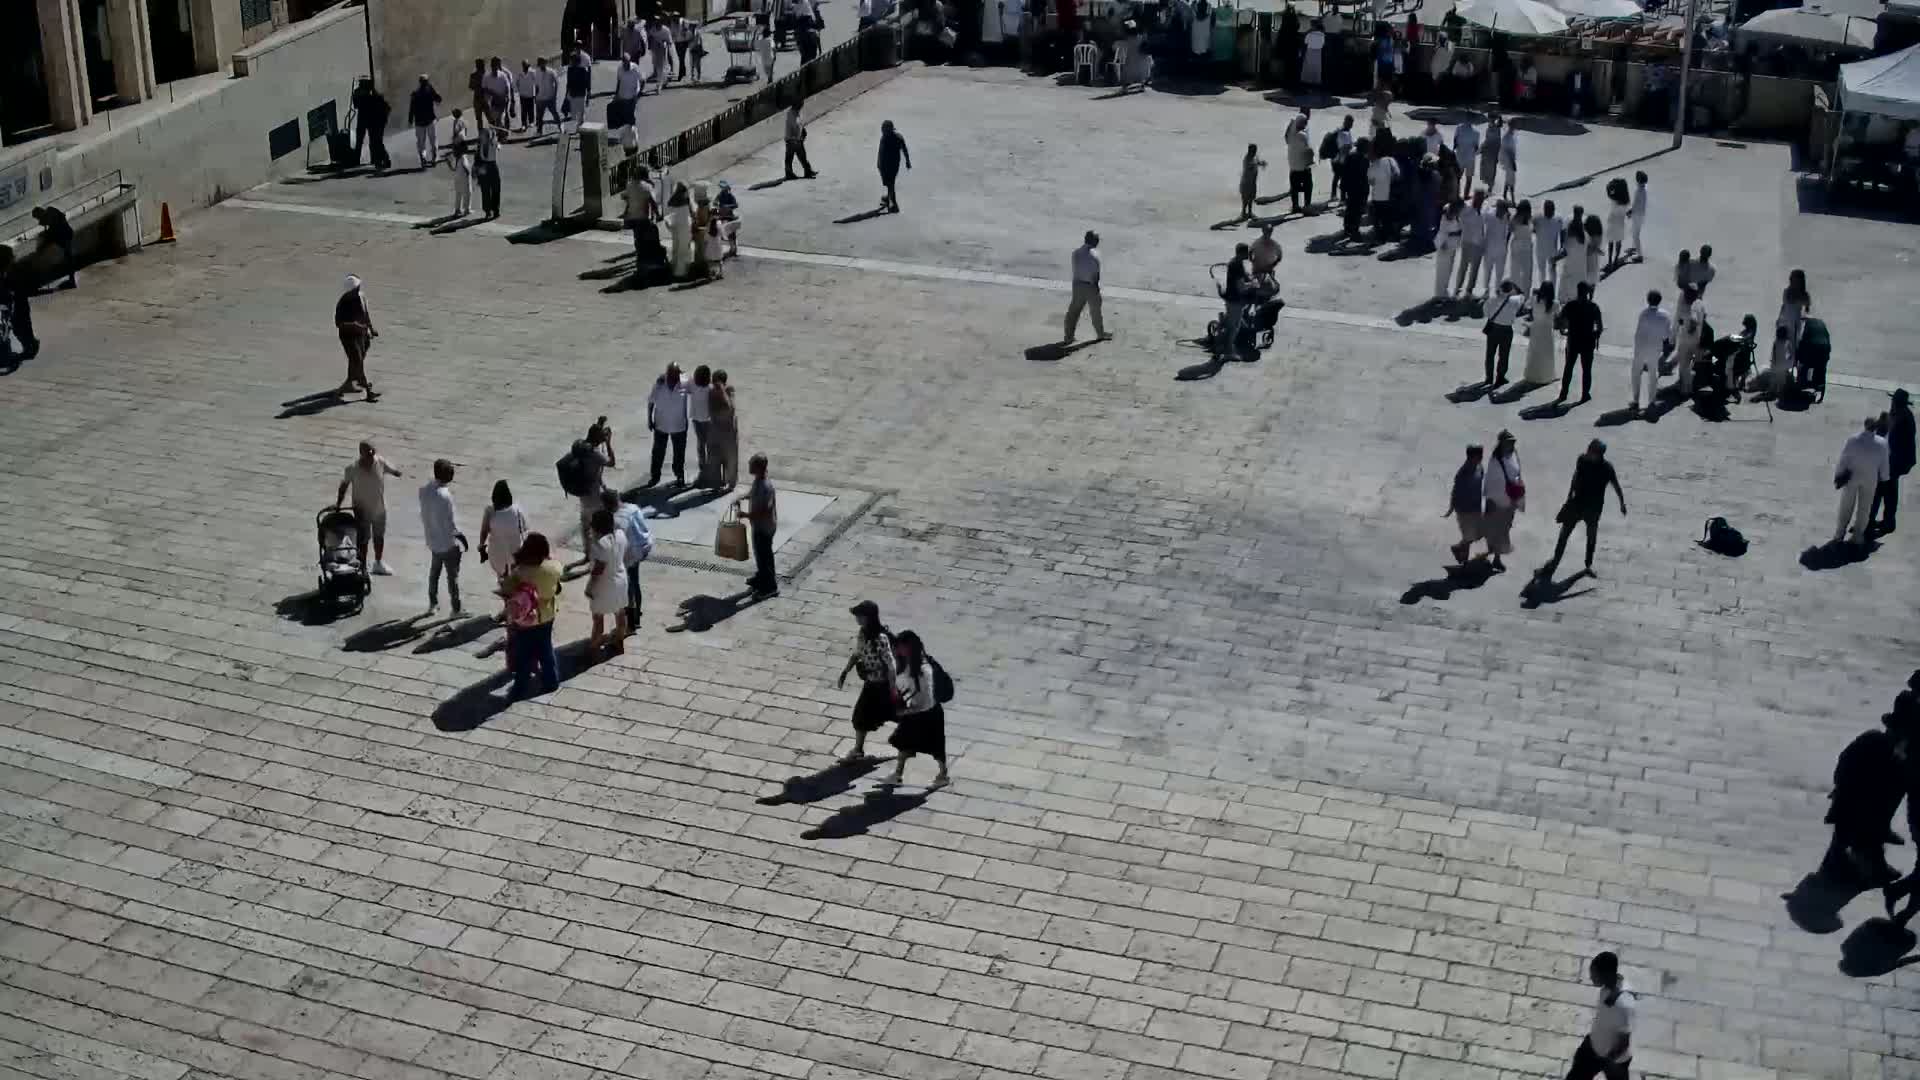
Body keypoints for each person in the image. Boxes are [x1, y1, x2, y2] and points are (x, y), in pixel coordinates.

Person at [1536, 439, 1625, 581]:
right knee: (1563, 536)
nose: (1588, 451)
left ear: (1599, 454)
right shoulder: (1582, 460)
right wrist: (1569, 494)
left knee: (1591, 537)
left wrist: (1622, 503)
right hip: (1576, 505)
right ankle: (1554, 562)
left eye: (1591, 450)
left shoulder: (1607, 468)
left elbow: (1616, 485)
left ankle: (1588, 565)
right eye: (1588, 449)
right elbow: (1576, 476)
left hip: (1593, 510)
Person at [500, 533, 563, 698]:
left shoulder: (520, 572)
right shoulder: (554, 567)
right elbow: (557, 587)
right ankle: (551, 681)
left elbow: (506, 590)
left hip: (526, 619)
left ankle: (520, 687)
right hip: (547, 615)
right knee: (546, 650)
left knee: (523, 654)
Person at [886, 630, 949, 787]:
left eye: (900, 647)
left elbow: (926, 702)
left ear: (909, 648)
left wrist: (905, 711)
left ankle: (943, 775)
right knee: (903, 742)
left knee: (936, 748)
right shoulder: (907, 663)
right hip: (915, 713)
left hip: (929, 715)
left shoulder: (923, 670)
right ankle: (898, 774)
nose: (897, 650)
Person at [837, 601, 896, 760]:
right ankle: (858, 749)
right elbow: (857, 653)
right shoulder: (862, 633)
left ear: (869, 617)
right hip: (870, 684)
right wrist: (845, 671)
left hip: (882, 685)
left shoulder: (880, 638)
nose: (857, 619)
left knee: (896, 714)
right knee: (861, 717)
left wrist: (892, 688)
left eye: (860, 616)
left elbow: (891, 665)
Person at [1564, 952, 1635, 1080]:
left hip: (1614, 1061)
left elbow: (1624, 1040)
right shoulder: (1608, 987)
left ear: (1606, 974)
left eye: (1594, 973)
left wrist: (1608, 1060)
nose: (1591, 976)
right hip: (1593, 1046)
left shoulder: (1623, 1003)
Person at [335, 441, 401, 574]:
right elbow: (343, 487)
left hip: (379, 509)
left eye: (373, 453)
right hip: (361, 511)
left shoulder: (380, 461)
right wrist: (338, 505)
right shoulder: (352, 469)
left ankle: (378, 562)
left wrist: (397, 472)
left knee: (379, 537)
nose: (371, 457)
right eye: (368, 455)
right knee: (363, 540)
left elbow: (391, 470)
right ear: (361, 454)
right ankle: (363, 567)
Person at [418, 459, 468, 616]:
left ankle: (432, 604)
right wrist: (461, 537)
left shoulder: (424, 489)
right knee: (452, 577)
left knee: (434, 574)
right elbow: (450, 523)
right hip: (446, 543)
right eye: (451, 472)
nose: (453, 474)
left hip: (432, 541)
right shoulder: (445, 496)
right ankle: (456, 609)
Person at [565, 418, 615, 567]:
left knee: (585, 526)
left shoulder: (580, 447)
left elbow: (592, 437)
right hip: (595, 497)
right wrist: (608, 442)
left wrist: (599, 425)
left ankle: (587, 554)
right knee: (599, 528)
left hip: (583, 494)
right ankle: (600, 557)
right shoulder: (595, 454)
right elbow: (611, 462)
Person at [1835, 417, 1891, 548]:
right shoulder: (1882, 443)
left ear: (1865, 425)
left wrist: (1838, 475)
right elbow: (1884, 464)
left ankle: (1839, 533)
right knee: (1865, 508)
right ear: (1876, 427)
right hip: (1870, 479)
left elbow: (1844, 459)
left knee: (1846, 506)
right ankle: (1858, 535)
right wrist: (1885, 478)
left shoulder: (1853, 440)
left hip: (1852, 477)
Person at [584, 508, 630, 656]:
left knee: (598, 619)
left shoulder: (600, 545)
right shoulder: (621, 534)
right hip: (621, 579)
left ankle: (594, 651)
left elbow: (598, 570)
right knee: (620, 613)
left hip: (605, 585)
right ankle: (619, 643)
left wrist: (590, 587)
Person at [332, 275, 380, 402]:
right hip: (349, 338)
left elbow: (365, 313)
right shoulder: (343, 304)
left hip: (362, 335)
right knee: (358, 362)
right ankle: (368, 392)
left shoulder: (361, 296)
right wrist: (354, 324)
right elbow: (339, 323)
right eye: (356, 287)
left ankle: (348, 385)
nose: (359, 288)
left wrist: (371, 328)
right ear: (350, 291)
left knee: (356, 362)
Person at [1874, 389, 1915, 534]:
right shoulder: (1897, 414)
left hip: (1896, 462)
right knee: (1888, 490)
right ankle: (1887, 521)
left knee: (1886, 491)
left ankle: (1887, 522)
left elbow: (1898, 443)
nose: (1892, 404)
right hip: (1891, 460)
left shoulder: (1904, 419)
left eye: (1894, 402)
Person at [1481, 430, 1522, 573]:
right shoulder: (1496, 459)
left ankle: (1495, 554)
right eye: (1509, 442)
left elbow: (1517, 474)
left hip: (1509, 500)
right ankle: (1496, 558)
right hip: (1497, 501)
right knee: (1497, 530)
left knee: (1504, 530)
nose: (1512, 444)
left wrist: (1518, 498)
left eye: (1513, 442)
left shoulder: (1513, 455)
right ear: (1502, 443)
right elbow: (1491, 481)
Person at [738, 453, 779, 598]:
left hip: (764, 527)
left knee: (764, 556)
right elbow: (754, 493)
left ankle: (770, 587)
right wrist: (744, 496)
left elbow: (765, 510)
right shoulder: (758, 480)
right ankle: (761, 577)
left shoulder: (766, 486)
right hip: (758, 525)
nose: (749, 466)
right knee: (759, 553)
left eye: (751, 465)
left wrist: (746, 515)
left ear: (759, 467)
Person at [1556, 282, 1603, 406]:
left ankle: (1563, 393)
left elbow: (1559, 319)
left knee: (1568, 368)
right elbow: (1600, 327)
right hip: (1588, 341)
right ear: (1588, 292)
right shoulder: (1593, 307)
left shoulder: (1570, 305)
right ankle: (1585, 394)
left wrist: (1563, 330)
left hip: (1573, 340)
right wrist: (1596, 334)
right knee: (1586, 369)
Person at [647, 363, 692, 488]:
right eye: (675, 374)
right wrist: (649, 419)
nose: (677, 376)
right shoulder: (659, 385)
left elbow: (698, 387)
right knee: (658, 452)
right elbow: (651, 402)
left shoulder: (685, 382)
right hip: (661, 425)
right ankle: (655, 476)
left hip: (679, 426)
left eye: (678, 374)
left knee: (679, 453)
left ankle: (679, 476)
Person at [1630, 291, 1671, 411]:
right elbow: (1666, 336)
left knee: (1636, 373)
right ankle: (1651, 401)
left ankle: (1636, 400)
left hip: (1641, 348)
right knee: (1653, 374)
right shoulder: (1665, 315)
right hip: (1655, 348)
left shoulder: (1643, 314)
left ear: (1648, 300)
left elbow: (1638, 333)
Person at [479, 480, 527, 581]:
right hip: (515, 552)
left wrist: (481, 546)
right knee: (515, 579)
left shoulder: (490, 511)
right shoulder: (517, 510)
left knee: (502, 577)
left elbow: (484, 531)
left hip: (497, 554)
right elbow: (524, 529)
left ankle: (504, 586)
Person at [1445, 444, 1485, 564]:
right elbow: (1456, 490)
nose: (1482, 457)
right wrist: (1451, 507)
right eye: (1479, 455)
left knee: (1478, 534)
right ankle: (1463, 561)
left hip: (1476, 507)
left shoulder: (1479, 467)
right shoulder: (1463, 472)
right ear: (1471, 456)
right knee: (1469, 535)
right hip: (1465, 509)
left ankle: (1458, 549)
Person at [1064, 231, 1106, 343]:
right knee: (1095, 312)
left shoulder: (1076, 253)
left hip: (1077, 284)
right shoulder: (1095, 255)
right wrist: (1096, 289)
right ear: (1093, 241)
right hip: (1090, 286)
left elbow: (1075, 269)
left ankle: (1069, 336)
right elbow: (1096, 275)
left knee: (1073, 311)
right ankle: (1100, 334)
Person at [1482, 279, 1521, 386]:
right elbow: (1521, 293)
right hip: (1507, 330)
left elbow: (1485, 312)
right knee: (1504, 355)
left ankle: (1489, 378)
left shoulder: (1492, 299)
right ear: (1511, 290)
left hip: (1493, 328)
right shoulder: (1516, 300)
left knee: (1490, 354)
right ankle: (1500, 377)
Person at [624, 163, 663, 270]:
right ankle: (643, 263)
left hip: (632, 217)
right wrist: (658, 215)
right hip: (643, 218)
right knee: (645, 240)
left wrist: (626, 213)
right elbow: (653, 202)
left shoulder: (629, 185)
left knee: (637, 239)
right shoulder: (647, 187)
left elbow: (628, 200)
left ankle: (639, 259)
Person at [1218, 242, 1252, 363]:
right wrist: (1252, 284)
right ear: (1242, 253)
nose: (1248, 255)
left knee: (1231, 322)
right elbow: (1241, 287)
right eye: (1247, 252)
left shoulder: (1235, 262)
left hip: (1230, 298)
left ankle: (1222, 324)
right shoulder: (1237, 266)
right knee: (1234, 327)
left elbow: (1241, 277)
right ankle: (1229, 352)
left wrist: (1248, 277)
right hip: (1235, 300)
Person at [0, 248, 36, 361]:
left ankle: (29, 349)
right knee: (19, 329)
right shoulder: (11, 273)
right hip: (15, 307)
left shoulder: (11, 274)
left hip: (15, 307)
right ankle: (29, 348)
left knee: (18, 329)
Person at [351, 78, 392, 170]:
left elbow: (356, 105)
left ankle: (376, 159)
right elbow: (356, 105)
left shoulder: (370, 93)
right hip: (369, 119)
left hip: (368, 119)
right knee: (371, 140)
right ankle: (374, 159)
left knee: (372, 140)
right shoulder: (371, 93)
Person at [1522, 281, 1557, 387]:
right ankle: (1546, 375)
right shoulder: (1555, 303)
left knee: (1534, 352)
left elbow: (1526, 306)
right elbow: (1558, 313)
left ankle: (1532, 374)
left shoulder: (1534, 299)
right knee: (1546, 354)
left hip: (1536, 329)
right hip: (1547, 330)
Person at [1672, 286, 1706, 396]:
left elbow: (1693, 321)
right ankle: (1687, 386)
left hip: (1687, 340)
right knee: (1689, 364)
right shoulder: (1700, 303)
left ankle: (1685, 390)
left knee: (1684, 365)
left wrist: (1685, 325)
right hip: (1697, 339)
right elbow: (1703, 317)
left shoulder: (1689, 308)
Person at [709, 369, 740, 491]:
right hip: (716, 431)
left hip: (728, 433)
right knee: (715, 459)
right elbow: (711, 411)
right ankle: (716, 483)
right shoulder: (711, 392)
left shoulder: (729, 390)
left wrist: (721, 390)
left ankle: (731, 483)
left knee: (730, 459)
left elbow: (729, 409)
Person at [31, 207, 75, 290]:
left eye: (37, 217)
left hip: (63, 236)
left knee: (69, 258)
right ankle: (71, 279)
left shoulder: (50, 215)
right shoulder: (51, 210)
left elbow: (52, 230)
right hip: (65, 234)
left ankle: (71, 281)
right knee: (68, 257)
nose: (38, 219)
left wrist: (44, 239)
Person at [1454, 192, 1486, 299]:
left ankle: (1469, 291)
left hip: (1479, 243)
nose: (1479, 202)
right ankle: (1457, 289)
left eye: (1481, 200)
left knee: (1474, 269)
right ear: (1474, 198)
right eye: (1478, 199)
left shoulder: (1484, 208)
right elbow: (1458, 217)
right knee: (1463, 267)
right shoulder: (1466, 208)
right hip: (1467, 241)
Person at [1777, 268, 1811, 368]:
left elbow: (1807, 310)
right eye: (1793, 279)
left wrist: (1805, 318)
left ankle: (1792, 366)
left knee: (1795, 346)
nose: (1794, 282)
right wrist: (1779, 318)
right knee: (1783, 345)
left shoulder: (1804, 295)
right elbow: (1783, 306)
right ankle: (1783, 367)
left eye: (1797, 280)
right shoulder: (1787, 292)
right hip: (1785, 321)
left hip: (1796, 323)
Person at [1367, 143, 1400, 243]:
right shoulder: (1390, 160)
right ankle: (1391, 234)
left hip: (1378, 196)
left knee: (1377, 217)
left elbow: (1371, 182)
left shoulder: (1373, 166)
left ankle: (1380, 237)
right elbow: (1397, 174)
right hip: (1390, 194)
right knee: (1388, 216)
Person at [408, 75, 442, 167]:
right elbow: (439, 99)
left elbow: (411, 109)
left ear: (419, 82)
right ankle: (434, 157)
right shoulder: (430, 90)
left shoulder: (415, 93)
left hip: (419, 122)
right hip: (430, 120)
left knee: (421, 142)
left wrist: (410, 120)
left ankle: (423, 157)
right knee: (433, 139)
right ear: (427, 82)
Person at [877, 120, 911, 213]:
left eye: (884, 130)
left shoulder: (896, 138)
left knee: (890, 184)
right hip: (885, 164)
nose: (883, 132)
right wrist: (879, 164)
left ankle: (894, 205)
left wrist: (908, 161)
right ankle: (888, 198)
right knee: (889, 183)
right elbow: (881, 152)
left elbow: (904, 149)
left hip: (891, 165)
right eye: (883, 130)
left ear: (890, 130)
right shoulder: (885, 137)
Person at [1433, 200, 1463, 301]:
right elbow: (1448, 231)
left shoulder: (1452, 213)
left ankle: (1443, 292)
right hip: (1445, 245)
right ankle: (1439, 294)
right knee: (1443, 271)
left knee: (1448, 270)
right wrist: (1458, 232)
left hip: (1451, 246)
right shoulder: (1448, 216)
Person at [446, 108, 473, 217]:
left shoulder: (456, 125)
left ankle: (457, 209)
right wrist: (468, 171)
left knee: (458, 189)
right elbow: (462, 137)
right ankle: (466, 209)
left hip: (457, 162)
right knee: (467, 188)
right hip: (462, 161)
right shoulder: (461, 133)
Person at [1480, 200, 1510, 297]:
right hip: (1489, 248)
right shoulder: (1489, 215)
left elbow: (1510, 230)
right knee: (1487, 270)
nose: (1501, 212)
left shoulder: (1507, 218)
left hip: (1501, 249)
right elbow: (1481, 217)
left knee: (1499, 271)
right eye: (1500, 209)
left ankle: (1498, 289)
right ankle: (1486, 289)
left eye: (1504, 210)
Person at [473, 120, 502, 220]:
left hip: (492, 166)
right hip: (483, 166)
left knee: (496, 189)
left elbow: (500, 137)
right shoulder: (479, 146)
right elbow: (477, 158)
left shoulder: (493, 142)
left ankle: (496, 210)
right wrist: (477, 171)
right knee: (485, 190)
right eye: (481, 135)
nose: (481, 137)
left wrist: (493, 129)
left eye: (484, 135)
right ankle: (487, 211)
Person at [1535, 200, 1562, 295]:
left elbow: (1561, 234)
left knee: (1552, 271)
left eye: (1551, 210)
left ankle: (1552, 290)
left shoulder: (1558, 219)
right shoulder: (1538, 218)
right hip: (1540, 250)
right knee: (1541, 270)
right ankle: (1542, 290)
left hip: (1552, 250)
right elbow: (1532, 229)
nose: (1549, 212)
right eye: (1547, 210)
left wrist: (1561, 248)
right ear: (1544, 209)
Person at [666, 182, 693, 279]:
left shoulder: (673, 199)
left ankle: (673, 267)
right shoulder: (687, 199)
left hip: (675, 224)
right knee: (683, 249)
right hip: (685, 225)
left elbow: (668, 206)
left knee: (676, 247)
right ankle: (680, 272)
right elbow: (692, 212)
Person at [783, 102, 816, 181]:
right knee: (790, 157)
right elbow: (795, 126)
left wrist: (803, 130)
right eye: (801, 105)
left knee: (802, 156)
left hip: (796, 139)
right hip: (792, 140)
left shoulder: (796, 113)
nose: (801, 107)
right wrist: (798, 136)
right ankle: (790, 174)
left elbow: (799, 124)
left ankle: (807, 171)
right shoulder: (791, 114)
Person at [1286, 120, 1314, 213]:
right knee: (1308, 187)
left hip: (1293, 168)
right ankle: (1307, 206)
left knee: (1294, 189)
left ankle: (1295, 206)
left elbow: (1286, 137)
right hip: (1303, 167)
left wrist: (1290, 125)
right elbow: (1307, 150)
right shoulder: (1302, 135)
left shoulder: (1290, 136)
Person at [1451, 121, 1479, 199]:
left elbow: (1455, 142)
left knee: (1457, 177)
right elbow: (1476, 147)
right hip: (1470, 158)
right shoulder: (1476, 132)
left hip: (1460, 156)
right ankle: (1465, 195)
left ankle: (1456, 195)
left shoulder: (1458, 128)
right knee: (1468, 178)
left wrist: (1454, 149)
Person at [1605, 182, 1630, 267]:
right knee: (1618, 242)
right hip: (1620, 223)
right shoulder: (1625, 201)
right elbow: (1628, 214)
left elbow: (1608, 191)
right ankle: (1615, 259)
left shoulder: (1613, 197)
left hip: (1612, 222)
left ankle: (1609, 261)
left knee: (1611, 242)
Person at [1239, 143, 1267, 221]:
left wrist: (1261, 163)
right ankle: (1244, 213)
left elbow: (1257, 162)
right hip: (1246, 183)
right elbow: (1250, 166)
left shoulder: (1254, 157)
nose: (1255, 152)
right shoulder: (1247, 159)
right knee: (1245, 199)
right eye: (1253, 151)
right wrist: (1258, 164)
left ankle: (1250, 212)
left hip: (1252, 182)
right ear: (1250, 151)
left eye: (1255, 151)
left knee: (1251, 198)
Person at [565, 49, 592, 128]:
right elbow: (569, 82)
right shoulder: (574, 70)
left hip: (578, 94)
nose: (571, 62)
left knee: (578, 114)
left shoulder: (581, 70)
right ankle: (579, 128)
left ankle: (578, 129)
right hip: (577, 94)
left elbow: (586, 82)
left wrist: (589, 91)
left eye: (572, 60)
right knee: (577, 114)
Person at [534, 57, 561, 134]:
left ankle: (560, 127)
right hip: (540, 98)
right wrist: (535, 97)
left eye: (541, 63)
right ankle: (539, 132)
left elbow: (557, 83)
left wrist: (555, 95)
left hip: (550, 97)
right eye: (539, 64)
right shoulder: (537, 72)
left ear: (545, 63)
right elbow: (536, 86)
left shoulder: (551, 72)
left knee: (555, 113)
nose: (540, 65)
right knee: (539, 117)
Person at [514, 61, 538, 132]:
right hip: (522, 95)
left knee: (531, 109)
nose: (526, 67)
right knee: (523, 111)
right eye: (524, 66)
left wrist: (535, 94)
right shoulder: (519, 74)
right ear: (523, 66)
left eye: (527, 66)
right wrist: (519, 90)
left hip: (530, 95)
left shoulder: (532, 72)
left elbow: (536, 83)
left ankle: (531, 122)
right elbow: (516, 83)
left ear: (528, 66)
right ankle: (523, 124)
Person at [1629, 171, 1649, 257]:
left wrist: (1630, 211)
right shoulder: (1643, 190)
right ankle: (1634, 247)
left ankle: (1640, 255)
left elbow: (1635, 204)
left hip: (1637, 215)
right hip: (1640, 214)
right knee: (1635, 232)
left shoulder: (1639, 191)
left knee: (1635, 235)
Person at [1301, 20, 1325, 86]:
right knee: (1317, 67)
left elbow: (1305, 42)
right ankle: (1316, 81)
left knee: (1308, 66)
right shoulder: (1322, 34)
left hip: (1310, 50)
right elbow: (1322, 44)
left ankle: (1307, 81)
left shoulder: (1309, 34)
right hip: (1318, 51)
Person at [1499, 124, 1517, 201]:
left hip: (1507, 161)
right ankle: (1513, 200)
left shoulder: (1507, 137)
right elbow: (1509, 151)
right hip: (1509, 161)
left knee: (1508, 179)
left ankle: (1504, 194)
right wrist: (1513, 162)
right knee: (1512, 180)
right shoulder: (1508, 138)